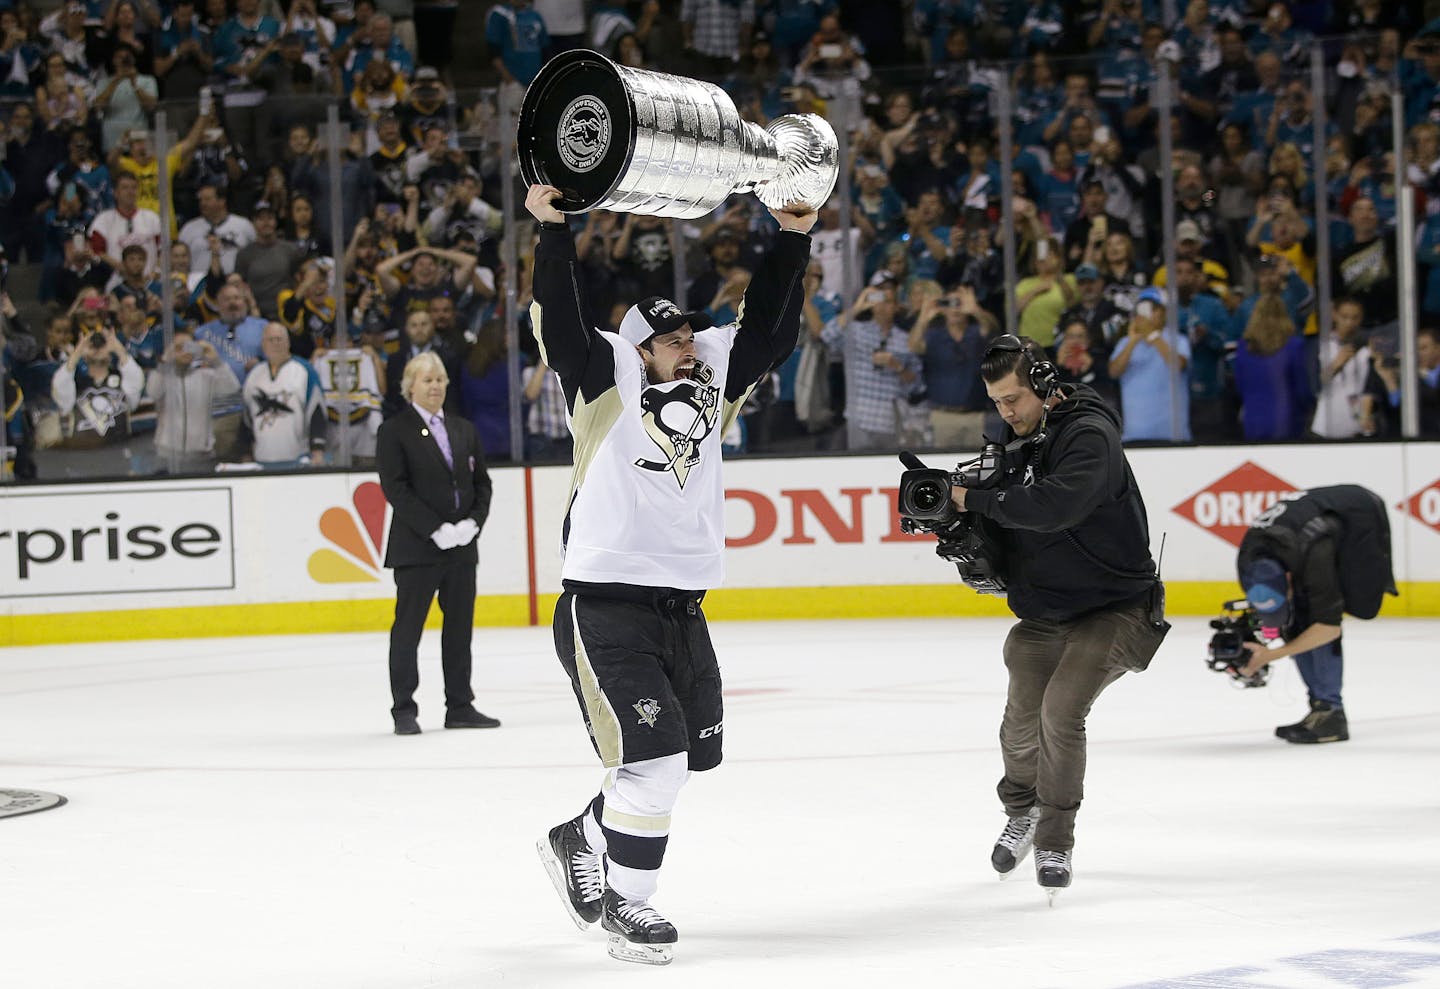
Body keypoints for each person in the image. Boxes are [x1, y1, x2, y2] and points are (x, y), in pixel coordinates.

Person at [525, 182, 814, 966]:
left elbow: (769, 331)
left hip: (682, 606)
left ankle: (582, 832)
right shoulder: (602, 387)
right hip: (605, 604)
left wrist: (792, 238)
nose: (687, 345)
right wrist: (552, 229)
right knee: (654, 763)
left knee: (691, 756)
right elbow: (556, 314)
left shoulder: (709, 385)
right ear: (639, 350)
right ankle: (629, 904)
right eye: (670, 340)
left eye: (689, 333)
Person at [948, 333, 1167, 899]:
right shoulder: (1009, 436)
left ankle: (1055, 837)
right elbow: (1003, 525)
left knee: (1060, 709)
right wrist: (960, 531)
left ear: (1045, 388)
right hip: (1046, 612)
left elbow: (1055, 506)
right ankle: (1021, 810)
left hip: (1117, 608)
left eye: (1014, 398)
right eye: (996, 401)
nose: (1006, 412)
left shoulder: (1089, 436)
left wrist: (974, 501)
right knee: (1020, 720)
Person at [375, 351, 497, 735]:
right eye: (427, 380)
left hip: (462, 549)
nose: (435, 386)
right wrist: (435, 529)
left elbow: (483, 484)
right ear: (409, 385)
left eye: (440, 379)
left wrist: (472, 525)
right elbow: (396, 488)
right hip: (417, 549)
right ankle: (403, 709)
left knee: (459, 628)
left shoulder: (463, 429)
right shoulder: (394, 431)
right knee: (408, 629)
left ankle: (460, 704)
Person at [1236, 485, 1398, 744]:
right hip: (1299, 537)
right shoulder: (1248, 562)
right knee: (1294, 621)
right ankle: (1320, 706)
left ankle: (1330, 713)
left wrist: (1271, 654)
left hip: (1359, 516)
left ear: (1289, 578)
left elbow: (1328, 628)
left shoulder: (1314, 555)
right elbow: (1274, 616)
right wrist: (1252, 648)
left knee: (1325, 615)